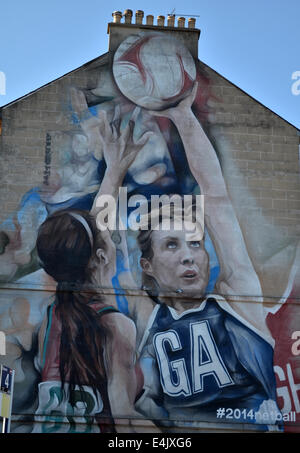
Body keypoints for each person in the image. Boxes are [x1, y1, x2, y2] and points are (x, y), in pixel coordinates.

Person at [113, 83, 283, 431]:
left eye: (195, 244)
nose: (190, 256)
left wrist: (182, 114)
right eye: (172, 245)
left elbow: (216, 198)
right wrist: (114, 170)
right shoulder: (145, 319)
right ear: (148, 267)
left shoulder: (238, 298)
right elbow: (107, 239)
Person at [33, 107, 154, 433]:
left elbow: (89, 233)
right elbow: (125, 420)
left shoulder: (52, 320)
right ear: (101, 259)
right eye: (108, 237)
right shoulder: (115, 327)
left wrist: (114, 170)